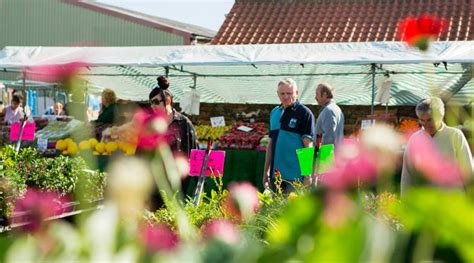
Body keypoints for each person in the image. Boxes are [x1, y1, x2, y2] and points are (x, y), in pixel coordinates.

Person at [401, 97, 473, 195]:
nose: (426, 125)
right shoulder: (415, 139)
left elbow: (467, 169)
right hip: (425, 200)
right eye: (422, 120)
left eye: (430, 120)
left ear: (440, 116)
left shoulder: (455, 135)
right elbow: (407, 175)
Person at [148, 76, 199, 207]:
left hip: (178, 182)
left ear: (168, 101)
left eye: (156, 102)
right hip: (155, 182)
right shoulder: (150, 124)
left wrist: (196, 185)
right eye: (151, 102)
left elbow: (194, 152)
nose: (153, 106)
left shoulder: (183, 123)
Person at [263, 78, 315, 192]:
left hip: (295, 177)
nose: (285, 96)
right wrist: (266, 172)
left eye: (289, 93)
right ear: (277, 94)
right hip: (275, 176)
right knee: (274, 209)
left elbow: (308, 146)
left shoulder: (305, 113)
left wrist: (307, 174)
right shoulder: (274, 112)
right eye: (282, 93)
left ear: (296, 93)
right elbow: (270, 145)